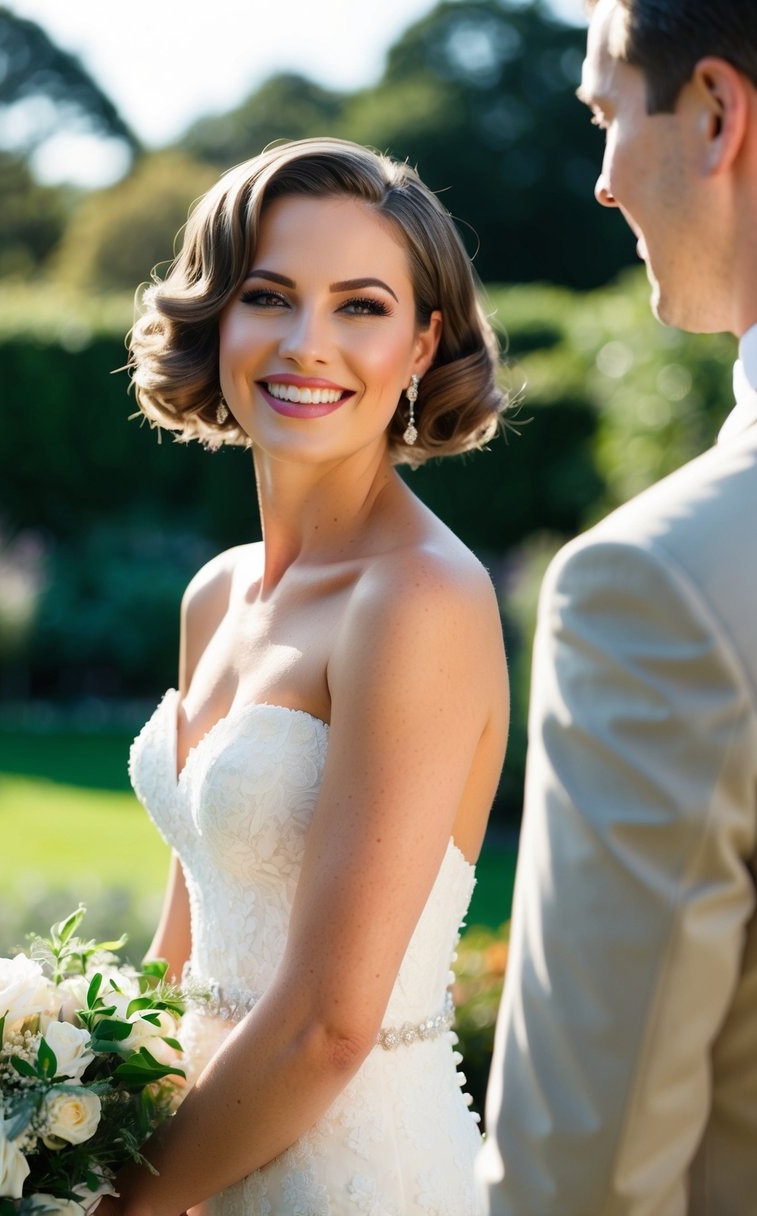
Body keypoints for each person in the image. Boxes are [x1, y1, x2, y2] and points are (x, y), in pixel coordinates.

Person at [99, 137, 509, 1215]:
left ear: (423, 343)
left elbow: (329, 1025)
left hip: (351, 1179)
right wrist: (46, 1115)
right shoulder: (217, 593)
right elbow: (188, 937)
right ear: (217, 320)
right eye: (269, 295)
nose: (305, 344)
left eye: (361, 307)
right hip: (193, 1156)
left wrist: (116, 1205)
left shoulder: (420, 598)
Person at [475, 1, 757, 1213]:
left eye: (602, 114)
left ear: (713, 113)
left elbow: (580, 1174)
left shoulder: (660, 587)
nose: (597, 182)